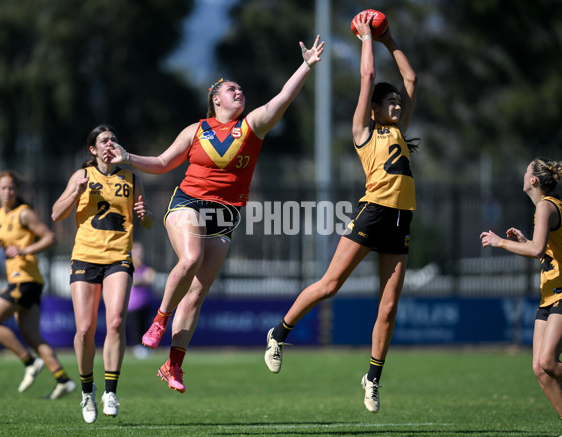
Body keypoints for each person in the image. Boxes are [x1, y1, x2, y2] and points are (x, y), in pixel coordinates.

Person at [105, 36, 325, 394]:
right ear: (215, 98)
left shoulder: (253, 126)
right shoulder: (196, 130)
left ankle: (173, 366)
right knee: (190, 258)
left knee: (196, 295)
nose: (239, 93)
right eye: (231, 89)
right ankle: (159, 320)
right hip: (187, 204)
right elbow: (162, 163)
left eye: (241, 90)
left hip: (224, 217)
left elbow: (283, 98)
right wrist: (128, 157)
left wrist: (306, 65)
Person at [264, 13, 419, 415]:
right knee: (331, 284)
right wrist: (366, 37)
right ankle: (278, 334)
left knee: (388, 307)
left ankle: (372, 378)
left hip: (401, 219)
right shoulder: (364, 131)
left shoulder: (401, 131)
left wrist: (388, 38)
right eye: (390, 101)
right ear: (373, 110)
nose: (397, 103)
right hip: (373, 213)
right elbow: (367, 79)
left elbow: (412, 79)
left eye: (397, 101)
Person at [51, 125, 154, 423]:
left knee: (116, 321)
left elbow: (145, 224)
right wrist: (74, 193)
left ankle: (110, 391)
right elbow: (56, 213)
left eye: (113, 139)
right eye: (103, 140)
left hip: (118, 258)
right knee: (84, 330)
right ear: (93, 150)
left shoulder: (132, 178)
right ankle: (87, 392)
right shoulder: (82, 176)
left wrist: (145, 217)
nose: (110, 143)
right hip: (84, 257)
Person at [0, 171, 76, 400]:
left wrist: (24, 250)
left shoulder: (24, 214)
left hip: (25, 280)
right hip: (24, 281)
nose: (8, 192)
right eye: (3, 188)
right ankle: (63, 380)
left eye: (12, 188)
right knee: (32, 335)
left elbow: (50, 238)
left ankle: (29, 361)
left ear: (17, 191)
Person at [480, 158, 562, 418]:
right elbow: (544, 252)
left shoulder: (546, 207)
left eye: (527, 171)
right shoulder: (544, 207)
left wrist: (500, 242)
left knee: (548, 362)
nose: (524, 174)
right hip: (548, 296)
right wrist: (524, 242)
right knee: (540, 369)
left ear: (534, 180)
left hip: (561, 293)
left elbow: (537, 249)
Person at [126, 241, 157, 359]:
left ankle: (146, 347)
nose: (139, 253)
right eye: (137, 251)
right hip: (133, 305)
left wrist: (142, 279)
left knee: (146, 327)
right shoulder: (129, 266)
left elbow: (151, 278)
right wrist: (142, 278)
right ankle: (137, 347)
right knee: (136, 327)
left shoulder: (146, 266)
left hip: (146, 303)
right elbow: (134, 280)